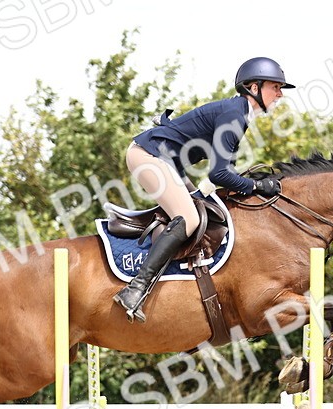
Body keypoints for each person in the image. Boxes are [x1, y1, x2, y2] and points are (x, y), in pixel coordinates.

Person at [113, 56, 295, 322]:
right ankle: (135, 289)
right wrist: (257, 185)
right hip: (149, 156)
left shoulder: (238, 114)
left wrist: (248, 184)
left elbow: (222, 174)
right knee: (189, 218)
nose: (279, 94)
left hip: (168, 162)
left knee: (200, 208)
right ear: (253, 88)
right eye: (275, 87)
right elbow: (219, 173)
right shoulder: (234, 115)